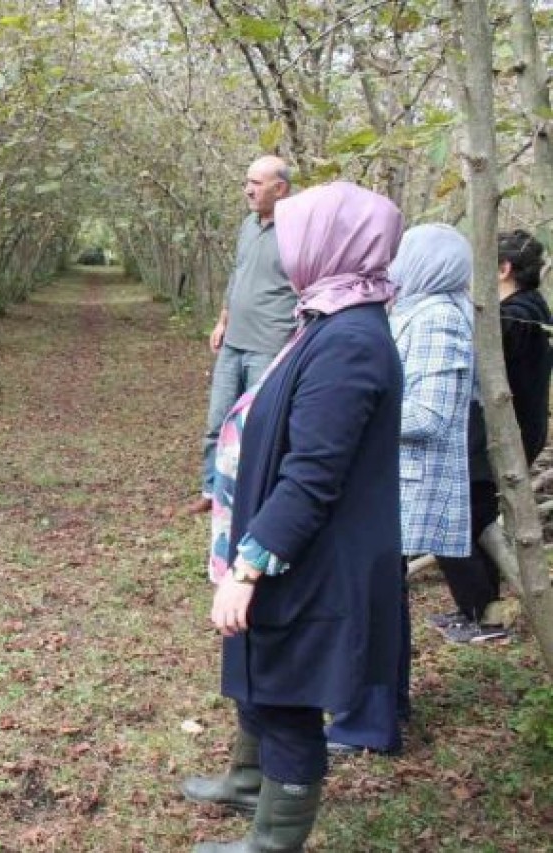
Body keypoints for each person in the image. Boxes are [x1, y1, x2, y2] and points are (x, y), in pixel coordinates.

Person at [182, 182, 404, 852]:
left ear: (331, 242)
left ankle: (272, 842)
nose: (283, 245)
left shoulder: (350, 342)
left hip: (311, 556)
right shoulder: (327, 317)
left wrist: (248, 566)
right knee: (264, 670)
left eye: (295, 231)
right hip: (292, 547)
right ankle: (250, 782)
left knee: (287, 694)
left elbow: (312, 474)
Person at [326, 224, 475, 756]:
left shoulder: (437, 317)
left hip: (407, 483)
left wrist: (356, 414)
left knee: (370, 601)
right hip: (393, 481)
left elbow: (430, 414)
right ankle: (384, 706)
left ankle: (367, 721)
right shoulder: (420, 310)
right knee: (382, 599)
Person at [433, 230, 551, 644]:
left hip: (502, 438)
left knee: (459, 517)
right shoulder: (528, 310)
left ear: (502, 270)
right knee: (475, 514)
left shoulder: (516, 317)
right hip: (508, 434)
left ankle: (482, 615)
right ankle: (484, 612)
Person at [187, 156, 297, 516]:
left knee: (258, 427)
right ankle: (211, 489)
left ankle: (252, 499)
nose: (248, 189)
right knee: (217, 421)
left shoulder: (298, 230)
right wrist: (222, 321)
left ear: (280, 188)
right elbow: (237, 276)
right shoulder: (248, 226)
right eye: (247, 181)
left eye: (257, 183)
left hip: (270, 345)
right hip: (234, 342)